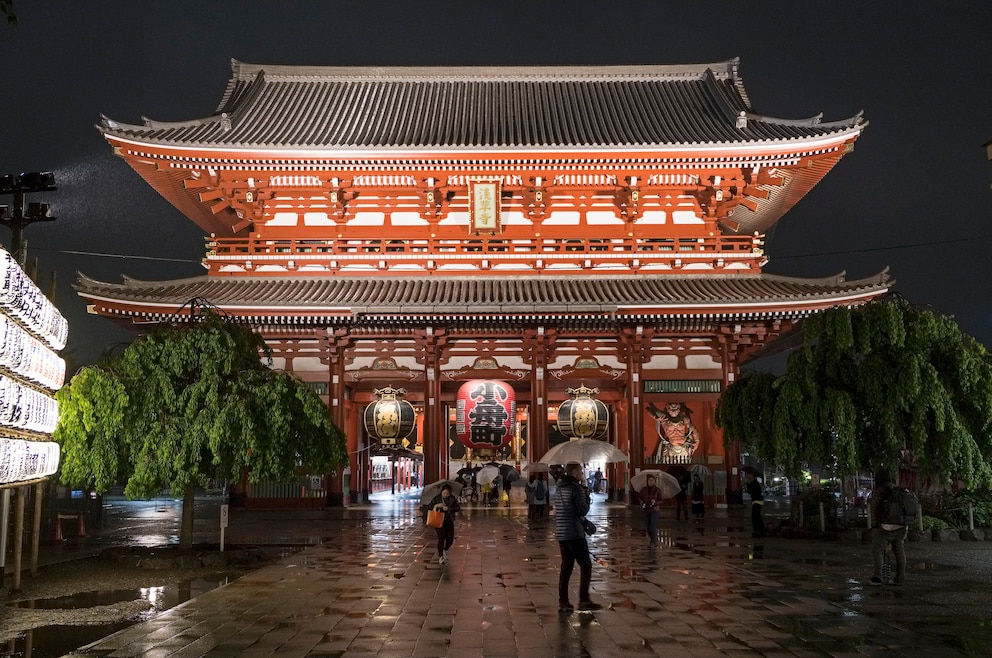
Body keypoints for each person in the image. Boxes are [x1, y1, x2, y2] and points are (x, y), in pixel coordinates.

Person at [554, 462, 602, 613]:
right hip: (575, 532)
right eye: (581, 471)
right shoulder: (576, 488)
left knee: (566, 567)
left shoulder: (559, 488)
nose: (582, 473)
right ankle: (584, 599)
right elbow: (582, 510)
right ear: (575, 472)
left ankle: (563, 602)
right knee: (586, 565)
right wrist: (586, 496)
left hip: (562, 532)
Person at [868, 468, 906, 586]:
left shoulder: (879, 490)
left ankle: (877, 576)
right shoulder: (897, 489)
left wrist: (874, 525)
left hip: (885, 526)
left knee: (877, 549)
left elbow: (874, 508)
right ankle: (900, 578)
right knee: (899, 551)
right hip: (900, 525)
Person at [428, 483, 461, 564]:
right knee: (441, 539)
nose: (445, 495)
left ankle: (445, 550)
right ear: (441, 492)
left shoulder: (452, 499)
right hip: (439, 521)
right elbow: (429, 507)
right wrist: (436, 506)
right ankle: (440, 557)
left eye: (447, 493)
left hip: (449, 520)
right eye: (444, 493)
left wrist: (448, 508)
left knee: (450, 538)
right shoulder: (436, 498)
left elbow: (457, 508)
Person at [639, 474, 664, 546]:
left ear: (655, 481)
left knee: (653, 525)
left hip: (654, 510)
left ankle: (653, 541)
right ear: (647, 481)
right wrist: (642, 502)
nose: (651, 482)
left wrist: (655, 502)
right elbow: (640, 497)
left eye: (652, 480)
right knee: (647, 526)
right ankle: (653, 538)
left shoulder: (657, 490)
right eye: (649, 480)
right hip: (646, 509)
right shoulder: (643, 490)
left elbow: (661, 500)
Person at [745, 472, 765, 537]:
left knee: (755, 516)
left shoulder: (754, 483)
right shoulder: (753, 483)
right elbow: (749, 491)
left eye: (749, 476)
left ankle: (759, 530)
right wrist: (748, 483)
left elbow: (750, 490)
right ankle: (759, 530)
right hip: (756, 501)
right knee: (756, 516)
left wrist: (748, 483)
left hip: (757, 501)